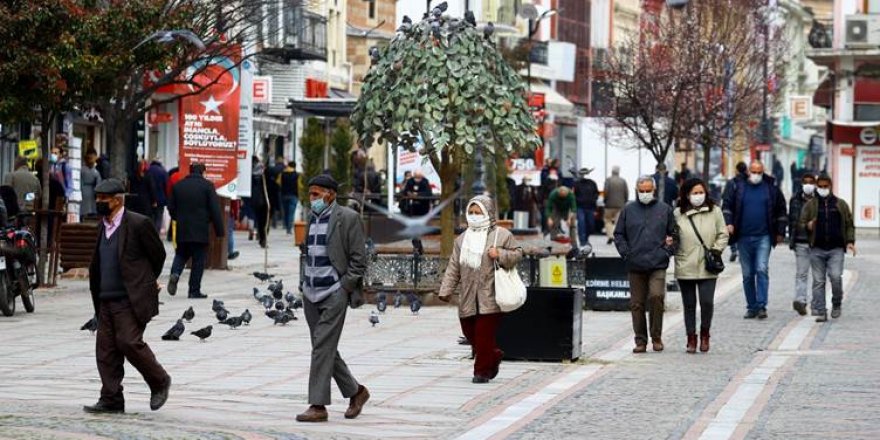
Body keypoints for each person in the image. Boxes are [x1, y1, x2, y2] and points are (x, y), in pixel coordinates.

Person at [84, 178, 169, 414]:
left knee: (129, 342)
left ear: (117, 200)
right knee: (106, 351)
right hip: (105, 299)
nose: (99, 202)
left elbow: (158, 255)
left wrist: (145, 282)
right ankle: (111, 399)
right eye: (97, 198)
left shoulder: (138, 223)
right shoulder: (103, 225)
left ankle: (160, 380)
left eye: (103, 199)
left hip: (130, 299)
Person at [296, 174, 370, 423]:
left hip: (333, 293)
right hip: (310, 292)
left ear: (330, 195)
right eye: (310, 194)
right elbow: (308, 253)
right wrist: (303, 282)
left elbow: (359, 259)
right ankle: (356, 392)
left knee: (320, 348)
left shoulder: (347, 218)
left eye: (316, 194)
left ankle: (318, 406)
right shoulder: (311, 219)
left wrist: (344, 287)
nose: (312, 199)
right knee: (324, 347)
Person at [438, 195, 523, 383]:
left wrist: (499, 253)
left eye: (478, 212)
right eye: (471, 212)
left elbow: (518, 254)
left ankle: (481, 371)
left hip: (491, 296)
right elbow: (454, 266)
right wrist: (446, 290)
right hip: (468, 295)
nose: (474, 216)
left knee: (483, 335)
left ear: (488, 213)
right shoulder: (462, 239)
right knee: (469, 332)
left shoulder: (502, 235)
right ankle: (493, 355)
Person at [614, 175, 676, 353]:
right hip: (635, 264)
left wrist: (667, 253)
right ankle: (640, 340)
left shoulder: (664, 209)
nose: (645, 193)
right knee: (637, 303)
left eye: (648, 190)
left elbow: (675, 234)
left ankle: (656, 336)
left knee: (657, 297)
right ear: (636, 190)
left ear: (654, 190)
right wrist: (626, 253)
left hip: (658, 263)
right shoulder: (628, 210)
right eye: (642, 191)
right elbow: (619, 234)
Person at [722, 161, 787, 320]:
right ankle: (751, 307)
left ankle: (761, 305)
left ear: (763, 172)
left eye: (759, 171)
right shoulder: (738, 187)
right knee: (748, 274)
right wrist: (729, 222)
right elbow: (727, 205)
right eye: (753, 171)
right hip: (743, 237)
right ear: (748, 171)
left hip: (763, 236)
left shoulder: (770, 188)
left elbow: (781, 210)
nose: (756, 174)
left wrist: (780, 232)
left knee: (761, 269)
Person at [673, 178, 728, 353]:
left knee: (706, 302)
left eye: (701, 192)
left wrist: (716, 250)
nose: (698, 196)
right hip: (685, 263)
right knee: (689, 304)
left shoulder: (715, 212)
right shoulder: (677, 214)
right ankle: (691, 337)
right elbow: (672, 236)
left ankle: (705, 333)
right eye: (695, 193)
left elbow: (723, 234)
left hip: (707, 264)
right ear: (687, 195)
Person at [799, 174, 856, 322]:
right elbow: (801, 223)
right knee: (818, 281)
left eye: (826, 186)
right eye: (821, 186)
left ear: (830, 186)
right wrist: (808, 225)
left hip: (836, 249)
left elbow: (849, 224)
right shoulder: (811, 205)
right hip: (817, 249)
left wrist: (850, 241)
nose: (823, 189)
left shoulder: (840, 204)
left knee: (836, 277)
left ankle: (836, 303)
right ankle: (821, 310)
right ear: (817, 187)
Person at [166, 163, 224, 299]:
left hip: (182, 228)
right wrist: (219, 230)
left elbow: (170, 207)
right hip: (200, 229)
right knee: (198, 260)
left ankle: (175, 273)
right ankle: (194, 290)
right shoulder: (207, 186)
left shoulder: (178, 186)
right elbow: (215, 210)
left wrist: (177, 217)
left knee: (181, 254)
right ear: (203, 172)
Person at [788, 172, 817, 316]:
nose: (808, 185)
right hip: (800, 242)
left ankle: (818, 303)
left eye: (811, 182)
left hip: (818, 243)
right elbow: (791, 220)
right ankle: (800, 301)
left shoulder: (820, 199)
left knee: (819, 275)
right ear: (801, 184)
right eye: (806, 182)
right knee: (801, 273)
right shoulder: (795, 200)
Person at [722, 162, 748, 262]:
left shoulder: (732, 182)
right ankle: (742, 252)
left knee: (732, 232)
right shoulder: (749, 182)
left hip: (733, 213)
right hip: (745, 214)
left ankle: (734, 250)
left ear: (736, 170)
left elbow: (726, 199)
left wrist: (727, 217)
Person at [573, 168, 599, 246]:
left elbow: (596, 193)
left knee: (591, 225)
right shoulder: (576, 184)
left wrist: (593, 200)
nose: (583, 175)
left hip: (590, 207)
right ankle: (582, 241)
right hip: (580, 207)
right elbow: (574, 195)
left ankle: (586, 238)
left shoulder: (592, 183)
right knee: (581, 224)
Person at [603, 165, 628, 245]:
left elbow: (605, 191)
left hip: (609, 205)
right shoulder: (623, 181)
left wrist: (605, 200)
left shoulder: (608, 180)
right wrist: (625, 201)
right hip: (620, 205)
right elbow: (626, 192)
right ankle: (617, 237)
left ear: (612, 172)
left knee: (608, 221)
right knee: (618, 222)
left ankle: (610, 236)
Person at [251, 157, 270, 247]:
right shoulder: (264, 175)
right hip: (264, 201)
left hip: (256, 201)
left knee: (259, 221)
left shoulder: (251, 175)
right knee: (264, 221)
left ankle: (261, 237)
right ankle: (263, 238)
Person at [277, 161, 299, 235]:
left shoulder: (282, 174)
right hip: (294, 195)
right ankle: (289, 229)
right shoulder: (297, 175)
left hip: (284, 195)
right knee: (291, 213)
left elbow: (278, 183)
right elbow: (300, 185)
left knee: (286, 212)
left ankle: (286, 226)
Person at [148, 158, 169, 231]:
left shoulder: (148, 170)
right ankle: (156, 234)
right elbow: (166, 185)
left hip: (149, 199)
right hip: (160, 199)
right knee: (158, 217)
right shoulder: (163, 171)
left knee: (150, 217)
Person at [80, 150, 102, 220]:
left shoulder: (95, 171)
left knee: (90, 207)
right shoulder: (82, 170)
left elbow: (99, 182)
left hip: (91, 191)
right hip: (85, 190)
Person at [266, 156, 284, 229]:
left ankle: (274, 223)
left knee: (273, 208)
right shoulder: (284, 169)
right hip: (280, 191)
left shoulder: (271, 170)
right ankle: (284, 223)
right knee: (280, 207)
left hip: (272, 191)